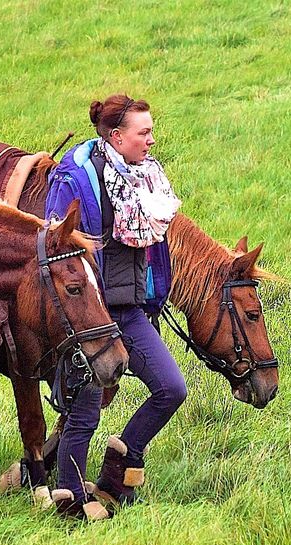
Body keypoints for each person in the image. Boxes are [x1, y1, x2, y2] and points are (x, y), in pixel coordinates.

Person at [44, 94, 187, 520]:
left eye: (151, 131)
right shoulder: (76, 181)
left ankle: (118, 466)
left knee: (170, 389)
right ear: (116, 136)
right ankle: (69, 499)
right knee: (85, 412)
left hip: (129, 309)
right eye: (144, 133)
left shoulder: (146, 179)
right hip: (93, 317)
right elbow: (57, 246)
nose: (151, 141)